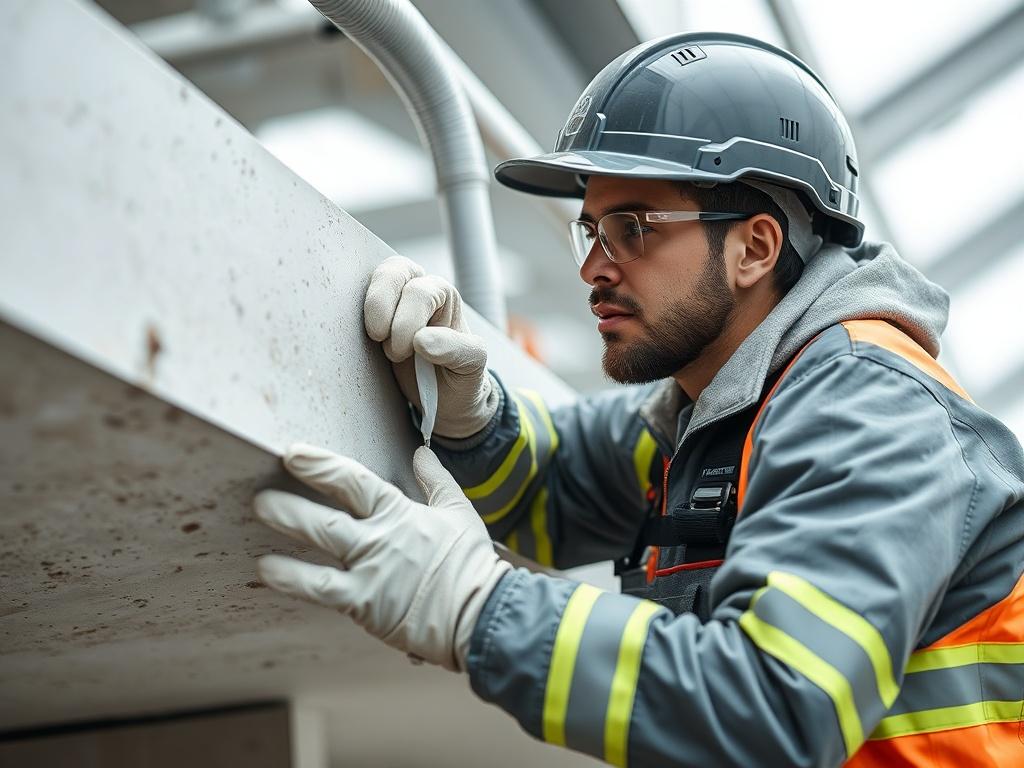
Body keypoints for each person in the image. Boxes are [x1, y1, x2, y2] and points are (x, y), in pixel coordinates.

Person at [252, 33, 1024, 767]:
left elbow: (770, 710)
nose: (593, 266)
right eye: (589, 229)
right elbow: (549, 490)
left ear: (755, 247)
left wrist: (479, 610)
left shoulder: (869, 410)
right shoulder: (714, 409)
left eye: (633, 227)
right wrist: (470, 413)